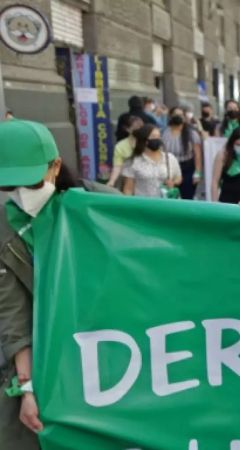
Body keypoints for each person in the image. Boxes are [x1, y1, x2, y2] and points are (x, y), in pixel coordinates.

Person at [0, 120, 119, 450]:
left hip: (112, 350)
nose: (20, 194)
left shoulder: (102, 203)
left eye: (30, 182)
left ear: (54, 167)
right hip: (47, 361)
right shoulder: (4, 228)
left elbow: (169, 235)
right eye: (8, 187)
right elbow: (12, 315)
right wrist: (27, 388)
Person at [122, 124, 182, 198]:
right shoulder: (133, 162)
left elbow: (178, 177)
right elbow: (128, 189)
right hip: (144, 205)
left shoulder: (170, 158)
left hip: (166, 204)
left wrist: (173, 183)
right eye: (153, 136)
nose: (158, 139)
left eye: (159, 136)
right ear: (145, 140)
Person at [162, 106, 203, 200]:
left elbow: (197, 155)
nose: (178, 116)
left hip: (187, 169)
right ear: (170, 116)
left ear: (184, 117)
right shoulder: (164, 132)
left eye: (180, 115)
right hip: (170, 169)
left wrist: (197, 173)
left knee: (186, 197)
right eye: (175, 114)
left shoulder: (192, 134)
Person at [108, 114, 144, 187]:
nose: (138, 131)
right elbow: (117, 166)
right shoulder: (120, 146)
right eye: (135, 128)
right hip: (127, 181)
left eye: (141, 128)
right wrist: (111, 181)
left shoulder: (148, 142)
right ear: (127, 129)